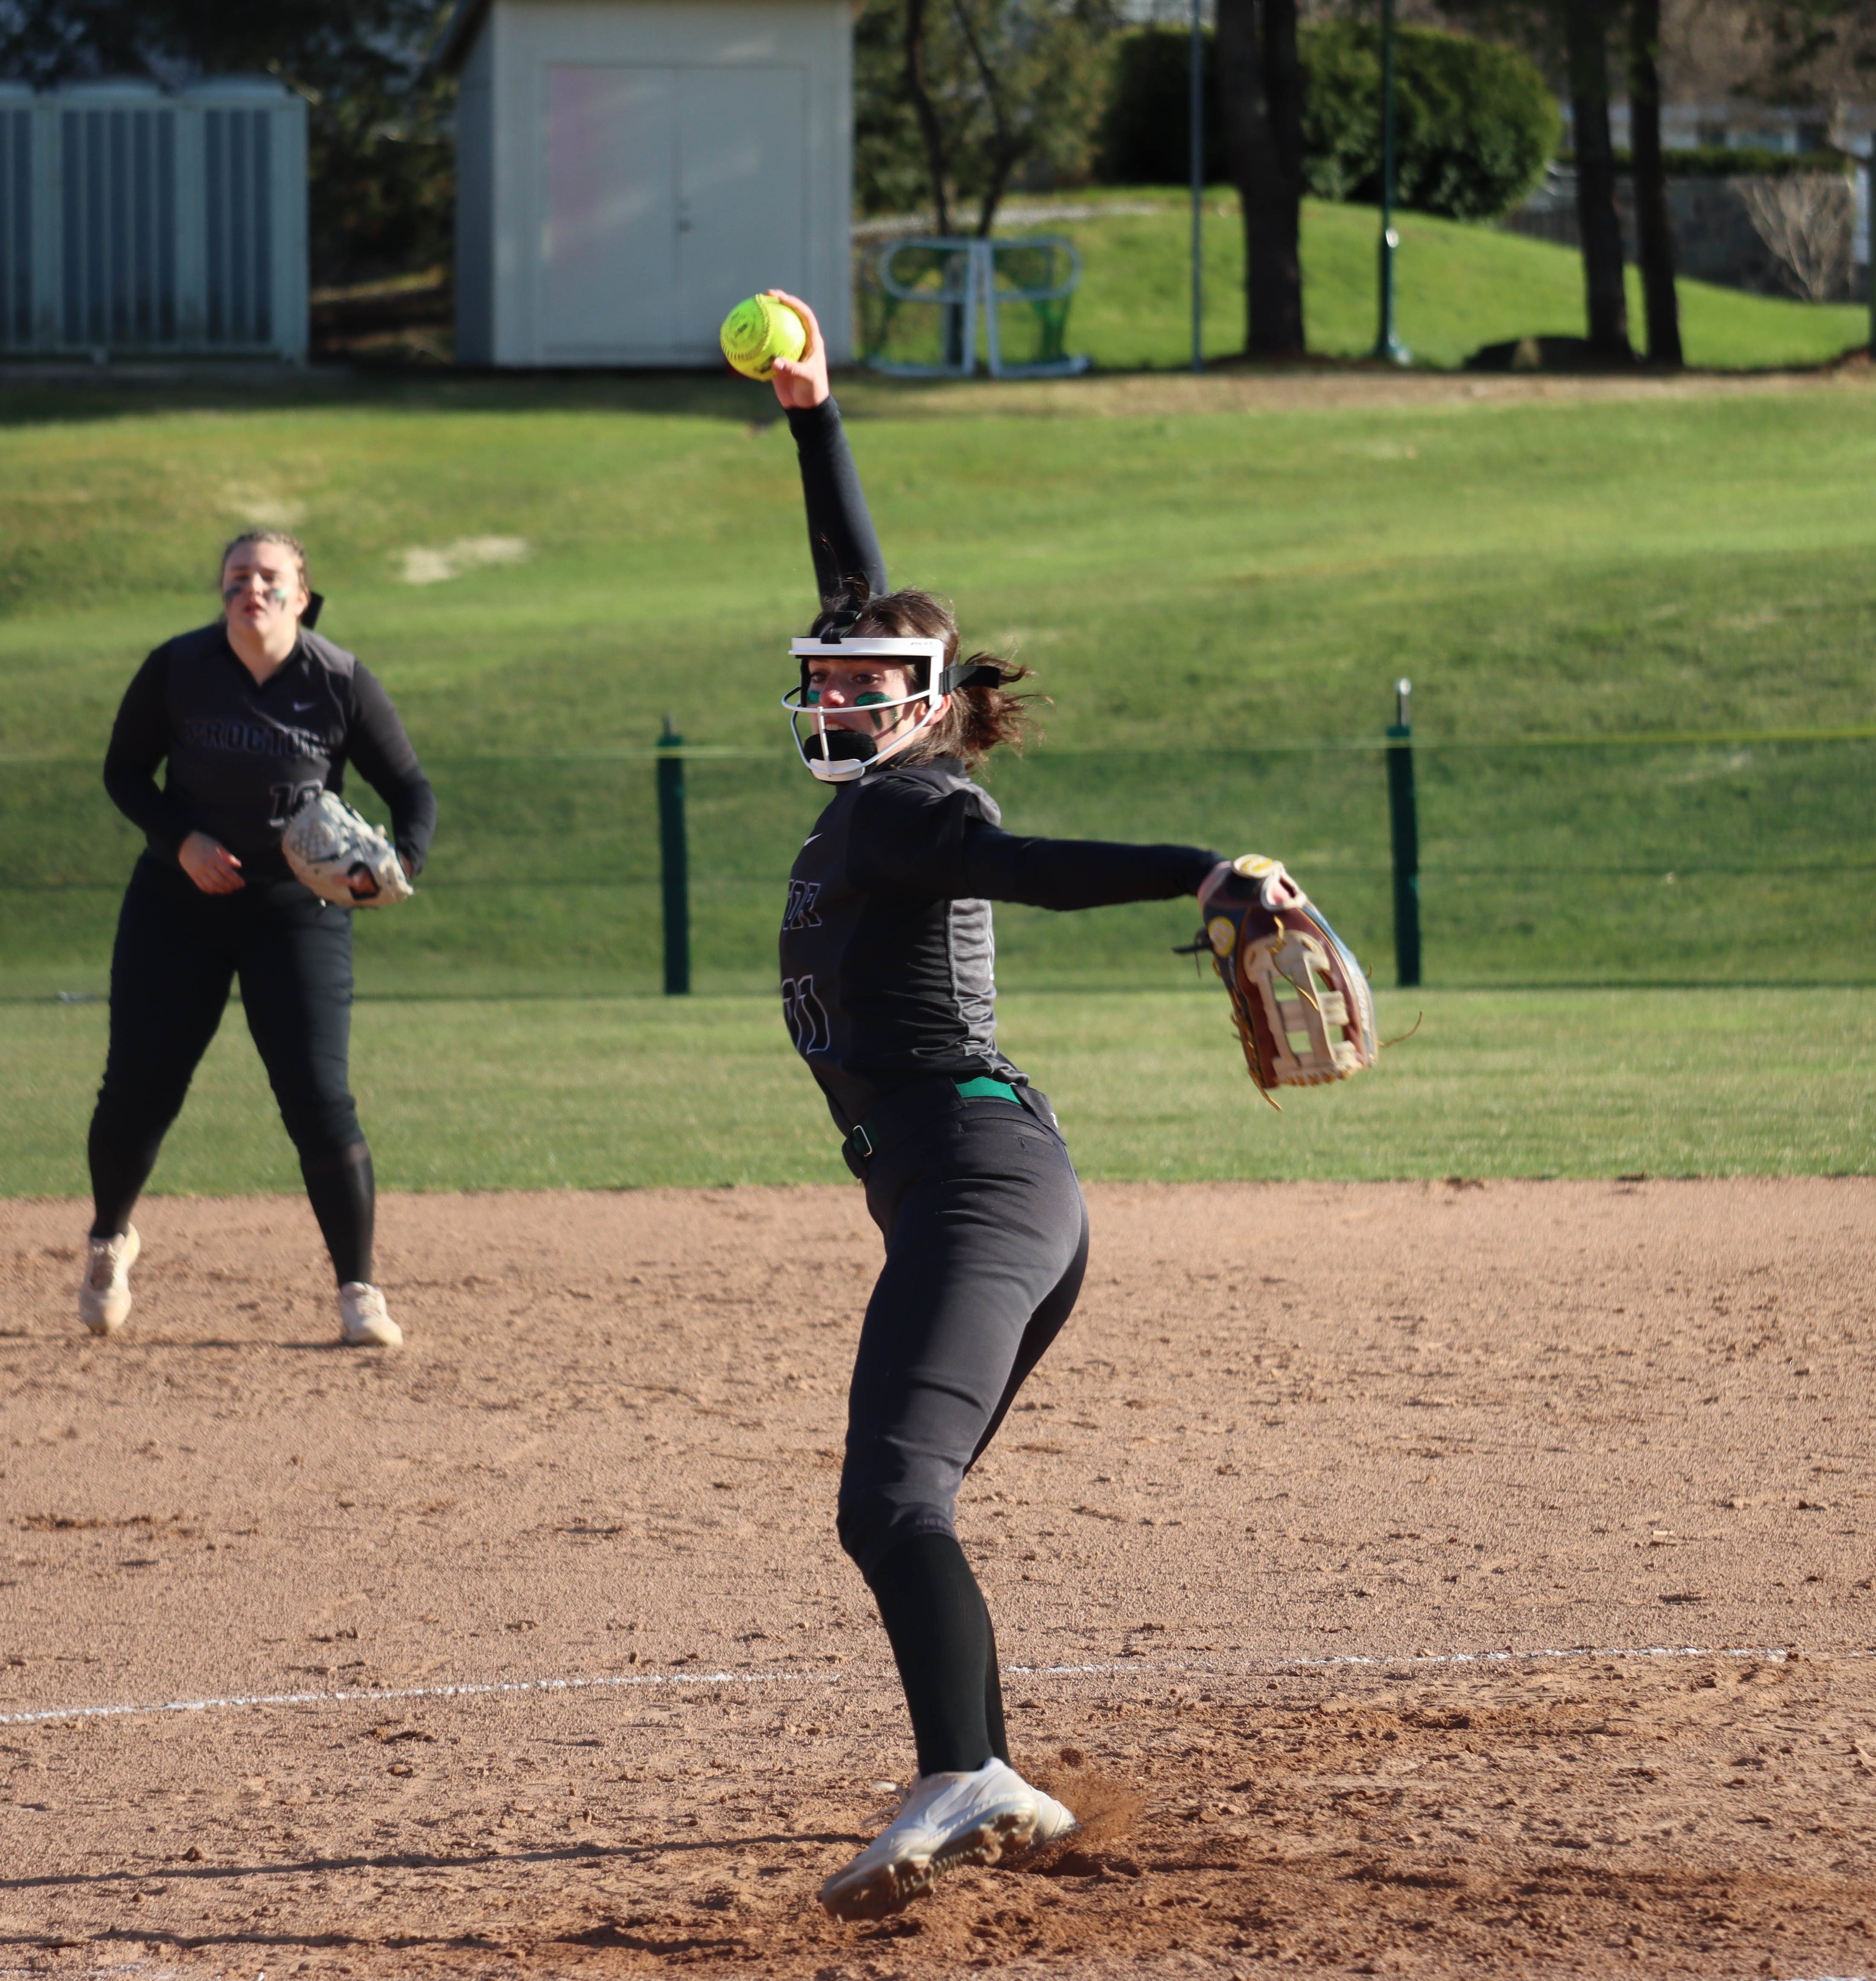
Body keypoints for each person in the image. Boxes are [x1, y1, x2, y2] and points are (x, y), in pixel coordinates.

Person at [756, 292, 1234, 1919]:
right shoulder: (875, 777)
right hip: (971, 1180)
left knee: (888, 1497)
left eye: (862, 676)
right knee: (902, 1493)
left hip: (979, 1179)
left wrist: (1197, 871)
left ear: (926, 702)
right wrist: (814, 416)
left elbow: (1017, 870)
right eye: (827, 669)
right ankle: (983, 1767)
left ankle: (969, 1768)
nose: (829, 687)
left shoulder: (916, 807)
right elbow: (853, 582)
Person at [78, 530, 436, 1349]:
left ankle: (359, 1292)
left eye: (271, 578)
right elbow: (124, 772)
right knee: (137, 1090)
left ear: (300, 596)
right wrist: (182, 843)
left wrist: (398, 864)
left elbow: (411, 788)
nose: (254, 589)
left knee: (318, 1099)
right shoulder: (178, 668)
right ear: (224, 591)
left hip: (295, 914)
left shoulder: (339, 679)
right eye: (239, 576)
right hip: (177, 905)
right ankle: (109, 1241)